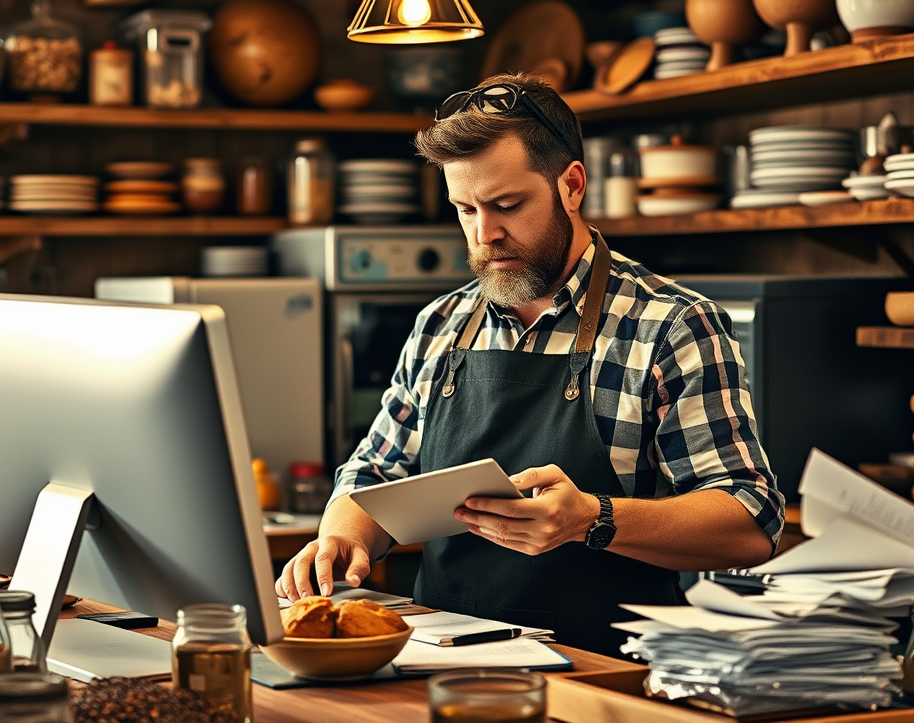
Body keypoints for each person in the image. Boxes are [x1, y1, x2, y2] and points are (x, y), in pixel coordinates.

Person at [276, 72, 785, 656]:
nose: (485, 233)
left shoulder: (672, 325)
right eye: (465, 209)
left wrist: (593, 519)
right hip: (443, 667)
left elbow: (750, 521)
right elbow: (376, 474)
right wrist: (342, 536)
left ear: (571, 185)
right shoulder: (440, 326)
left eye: (507, 205)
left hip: (604, 675)